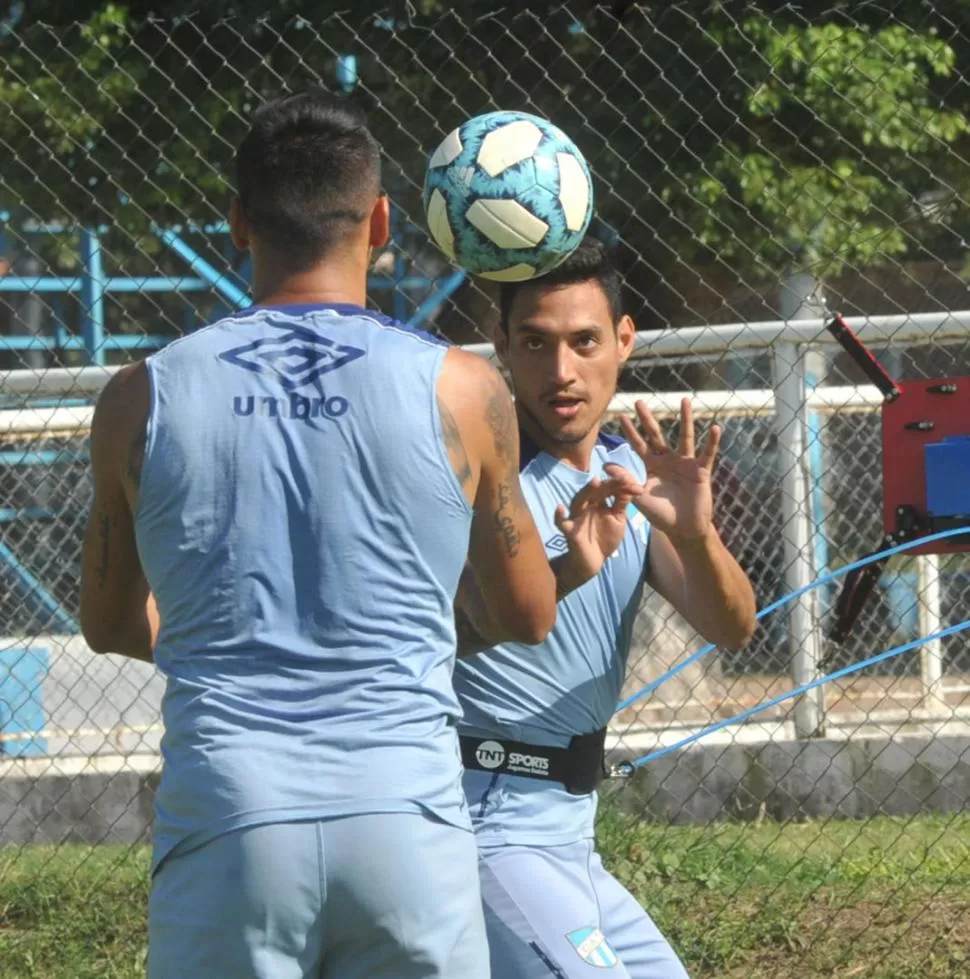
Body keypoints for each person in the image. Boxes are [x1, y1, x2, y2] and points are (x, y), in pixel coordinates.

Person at [77, 89, 638, 979]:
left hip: (230, 817)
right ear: (380, 221)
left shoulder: (140, 396)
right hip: (406, 823)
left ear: (235, 223)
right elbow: (526, 614)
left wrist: (225, 647)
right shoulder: (462, 389)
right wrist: (578, 559)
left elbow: (108, 623)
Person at [452, 238, 758, 978]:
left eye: (584, 341)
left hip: (570, 837)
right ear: (502, 345)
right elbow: (435, 633)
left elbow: (733, 627)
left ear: (623, 339)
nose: (561, 371)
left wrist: (696, 534)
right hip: (485, 824)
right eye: (535, 342)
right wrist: (565, 567)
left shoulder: (627, 477)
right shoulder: (478, 478)